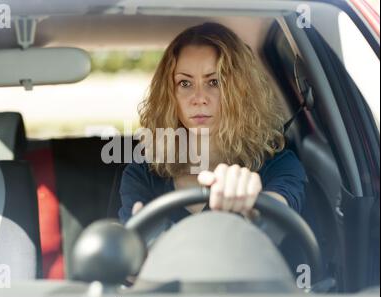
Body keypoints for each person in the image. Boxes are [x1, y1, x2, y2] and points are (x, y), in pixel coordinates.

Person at [118, 22, 306, 225]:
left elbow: (281, 207)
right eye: (185, 83)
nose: (199, 98)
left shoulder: (277, 164)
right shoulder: (144, 173)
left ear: (240, 92)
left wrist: (255, 210)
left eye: (214, 82)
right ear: (169, 95)